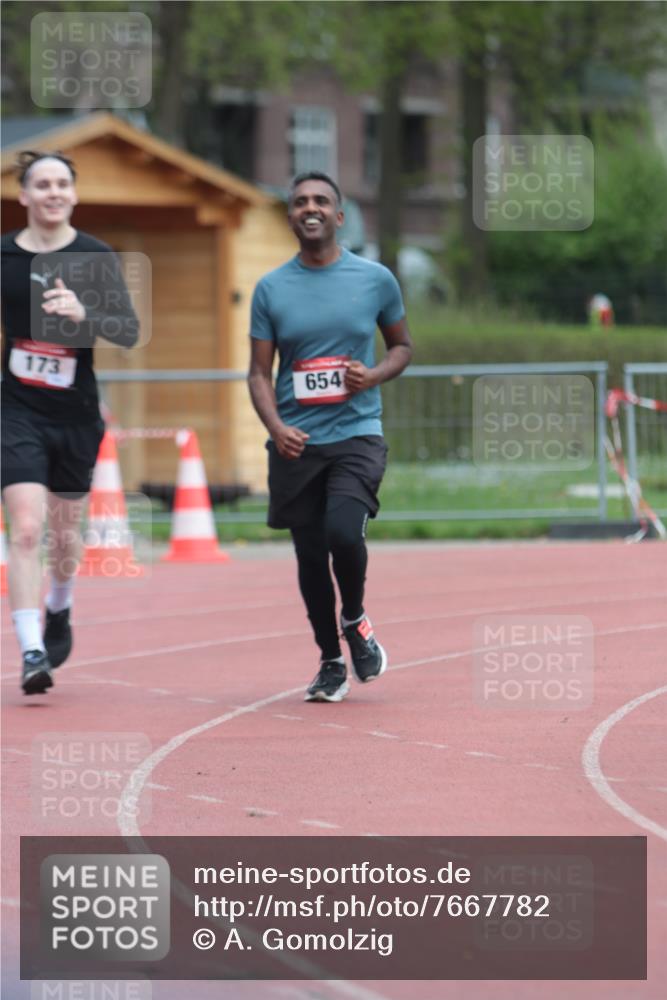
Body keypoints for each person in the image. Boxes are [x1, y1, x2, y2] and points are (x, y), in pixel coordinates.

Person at [248, 171, 412, 702]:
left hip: (356, 434)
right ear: (291, 217)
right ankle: (330, 662)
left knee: (344, 533)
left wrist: (373, 375)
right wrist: (276, 428)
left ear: (339, 217)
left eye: (321, 201)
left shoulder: (376, 279)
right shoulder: (271, 289)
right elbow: (258, 373)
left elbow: (402, 347)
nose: (310, 207)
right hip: (297, 441)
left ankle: (356, 618)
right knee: (310, 556)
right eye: (300, 202)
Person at [1, 151, 139, 695]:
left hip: (76, 415)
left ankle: (59, 607)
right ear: (25, 196)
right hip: (16, 410)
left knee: (64, 536)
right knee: (25, 527)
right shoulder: (4, 256)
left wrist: (85, 315)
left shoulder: (94, 256)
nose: (53, 192)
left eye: (62, 183)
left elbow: (127, 332)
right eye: (43, 184)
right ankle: (31, 649)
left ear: (74, 195)